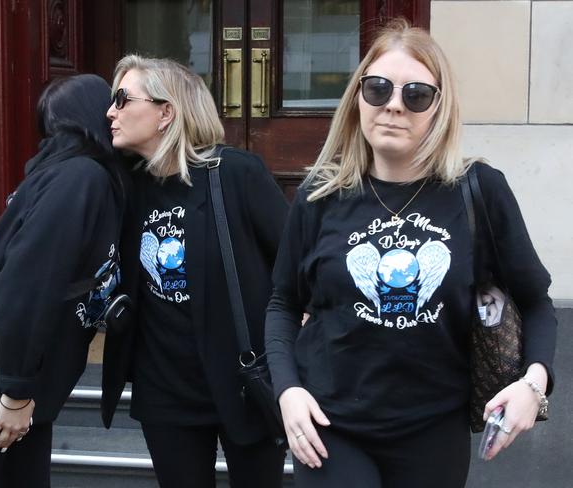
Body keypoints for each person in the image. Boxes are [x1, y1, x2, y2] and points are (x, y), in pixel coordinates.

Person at [265, 19, 556, 488]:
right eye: (378, 89)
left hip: (433, 430)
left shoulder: (478, 191)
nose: (393, 106)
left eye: (416, 94)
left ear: (439, 108)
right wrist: (288, 391)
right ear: (358, 97)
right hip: (329, 425)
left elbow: (537, 302)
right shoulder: (320, 196)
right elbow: (282, 304)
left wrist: (533, 385)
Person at [0, 74, 133, 487]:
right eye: (112, 105)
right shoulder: (79, 178)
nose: (115, 114)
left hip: (8, 389)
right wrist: (16, 391)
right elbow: (27, 287)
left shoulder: (75, 176)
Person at [101, 55, 289, 488]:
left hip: (245, 380)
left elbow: (296, 268)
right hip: (165, 387)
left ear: (166, 112)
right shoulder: (127, 183)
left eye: (122, 99)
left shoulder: (236, 174)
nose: (111, 111)